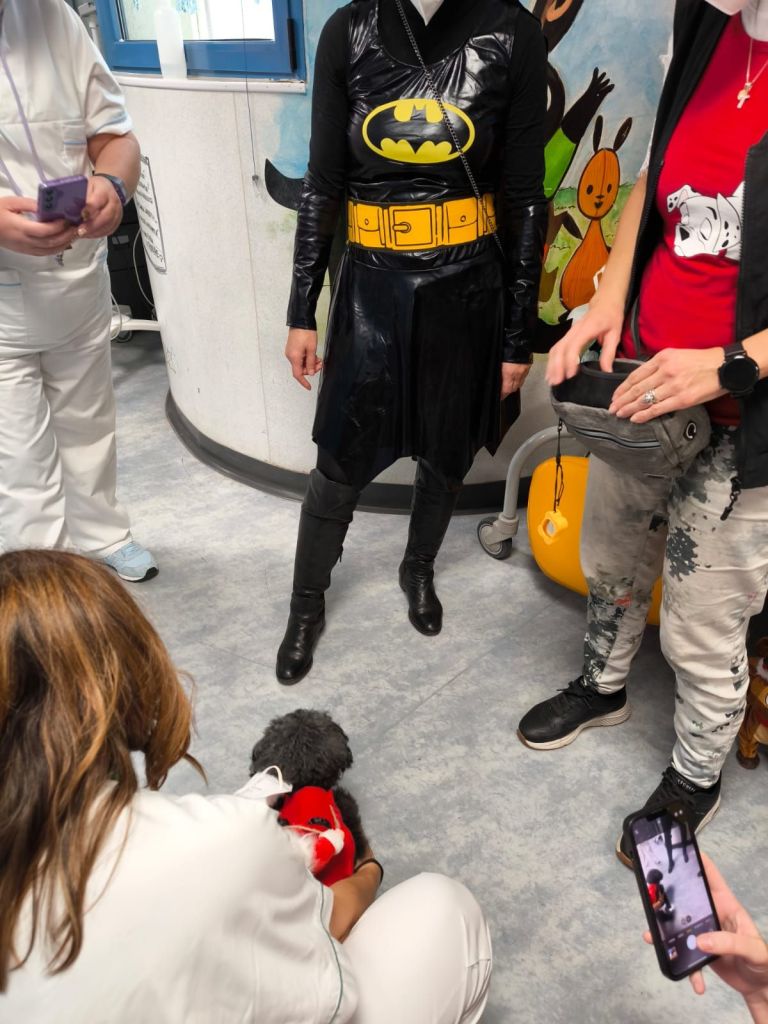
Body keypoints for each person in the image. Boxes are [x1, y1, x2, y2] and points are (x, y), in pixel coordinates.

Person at [0, 549, 491, 1024]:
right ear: (126, 684)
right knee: (443, 905)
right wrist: (368, 869)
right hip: (299, 895)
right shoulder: (222, 838)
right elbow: (323, 934)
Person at [517, 0, 768, 863]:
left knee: (702, 621)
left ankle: (695, 777)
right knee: (613, 556)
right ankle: (603, 686)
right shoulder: (706, 24)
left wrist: (730, 364)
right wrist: (607, 299)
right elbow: (652, 180)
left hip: (744, 422)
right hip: (644, 389)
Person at [277, 0, 548, 683]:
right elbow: (323, 185)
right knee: (338, 461)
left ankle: (418, 568)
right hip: (369, 289)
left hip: (469, 292)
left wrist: (517, 337)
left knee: (447, 449)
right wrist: (302, 310)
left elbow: (525, 197)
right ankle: (306, 603)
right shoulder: (350, 30)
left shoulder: (512, 32)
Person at [0, 0, 156, 582]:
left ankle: (103, 535)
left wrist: (112, 185)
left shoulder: (50, 17)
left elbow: (116, 137)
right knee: (20, 458)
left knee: (90, 425)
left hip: (78, 282)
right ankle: (46, 579)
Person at [643, 853, 768, 1023]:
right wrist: (760, 989)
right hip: (659, 905)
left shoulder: (658, 887)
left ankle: (669, 908)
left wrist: (761, 989)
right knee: (665, 921)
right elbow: (653, 906)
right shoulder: (651, 890)